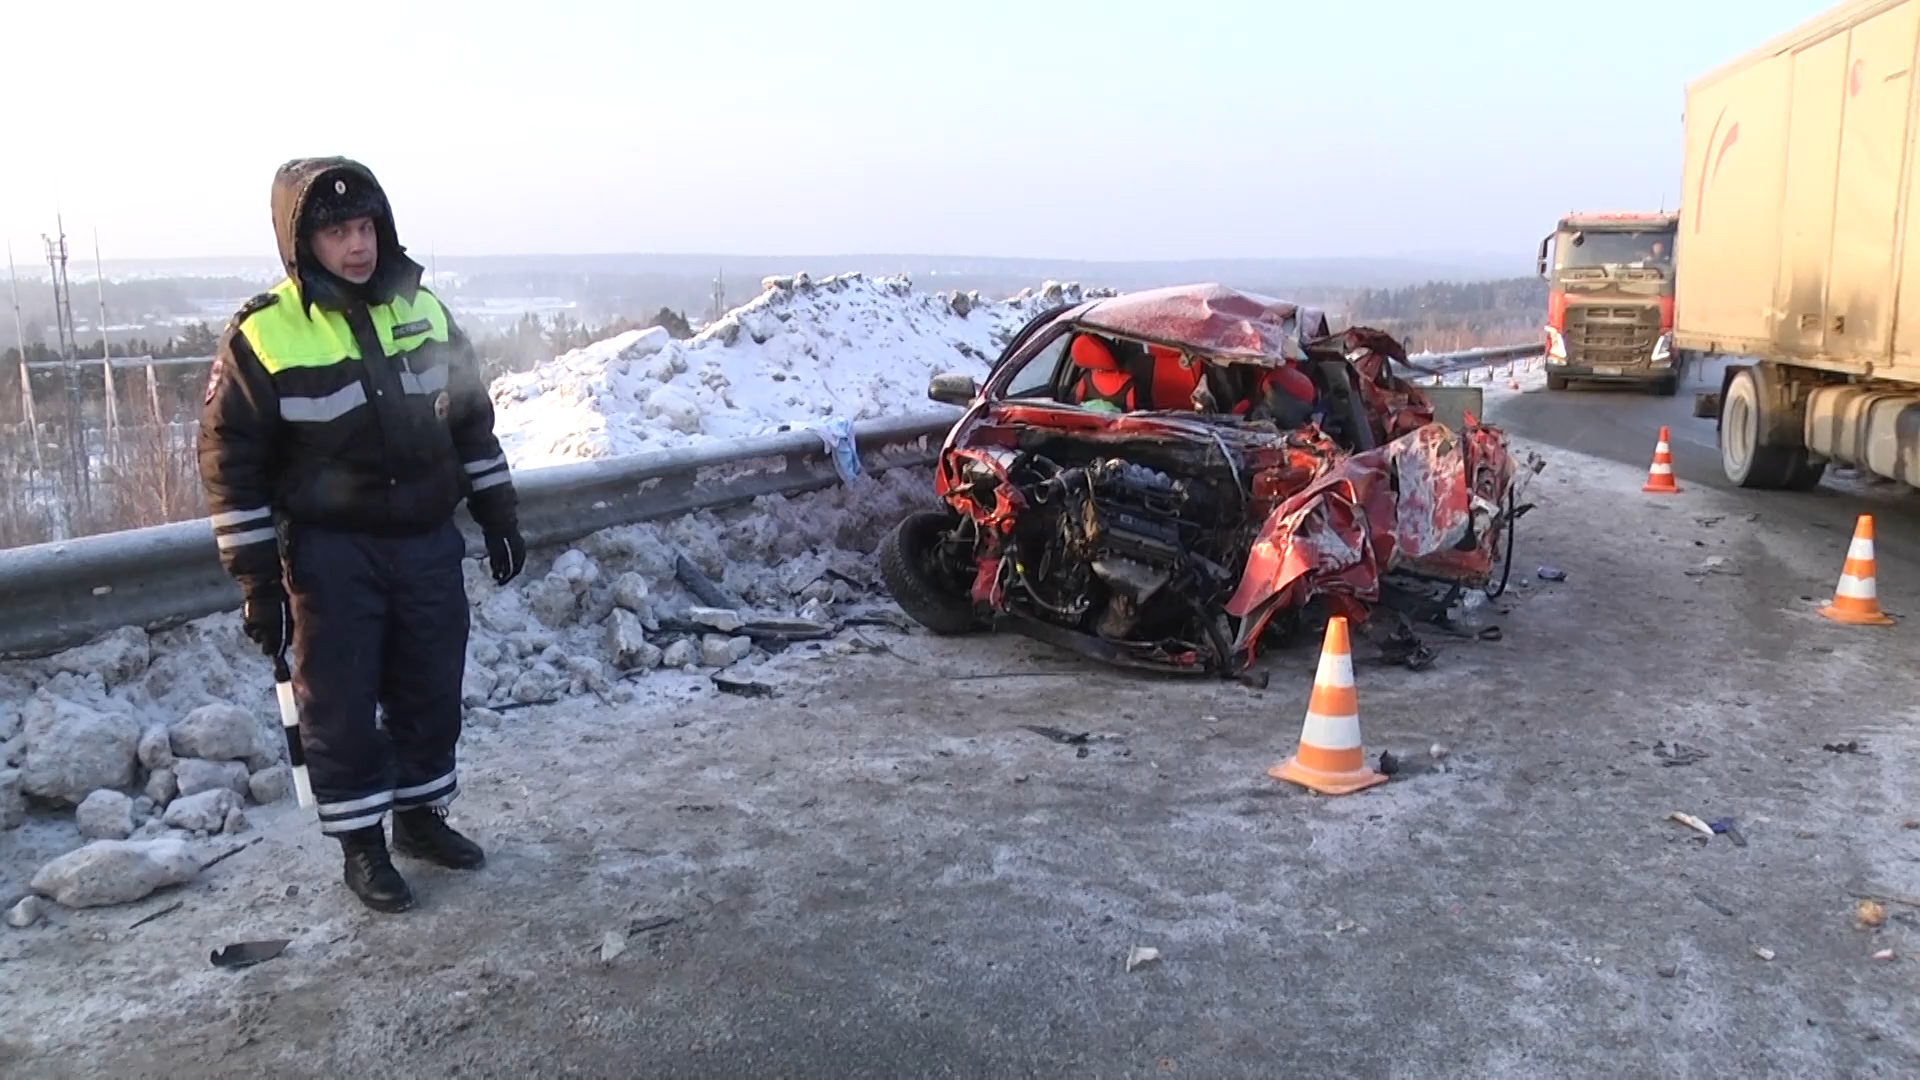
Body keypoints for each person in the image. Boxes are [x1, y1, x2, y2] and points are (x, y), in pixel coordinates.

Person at [198, 157, 528, 913]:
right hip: (330, 554)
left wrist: (498, 512)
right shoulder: (264, 336)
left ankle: (418, 819)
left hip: (424, 541)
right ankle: (363, 847)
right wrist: (256, 584)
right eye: (337, 231)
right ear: (299, 243)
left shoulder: (423, 310)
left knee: (429, 686)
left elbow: (471, 420)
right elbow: (231, 467)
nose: (357, 246)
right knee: (341, 701)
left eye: (365, 227)